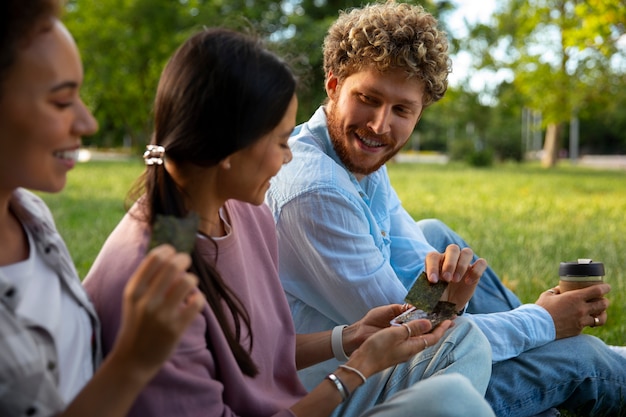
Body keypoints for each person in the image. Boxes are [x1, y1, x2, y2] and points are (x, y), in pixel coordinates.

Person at [83, 27, 496, 417]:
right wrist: (356, 369)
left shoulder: (243, 213)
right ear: (230, 143)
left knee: (460, 368)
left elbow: (259, 348)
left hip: (295, 399)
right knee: (454, 400)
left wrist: (350, 337)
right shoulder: (159, 274)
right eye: (281, 141)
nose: (288, 158)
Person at [265, 2, 626, 417]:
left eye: (402, 110)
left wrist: (520, 320)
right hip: (352, 393)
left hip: (396, 350)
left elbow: (418, 287)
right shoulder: (315, 189)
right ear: (333, 86)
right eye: (368, 99)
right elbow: (411, 333)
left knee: (439, 239)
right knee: (584, 363)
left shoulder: (353, 156)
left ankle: (555, 347)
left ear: (420, 113)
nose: (380, 126)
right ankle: (572, 353)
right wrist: (542, 321)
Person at [0, 1, 204, 416]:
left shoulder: (31, 214)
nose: (88, 122)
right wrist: (134, 361)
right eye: (61, 102)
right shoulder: (165, 235)